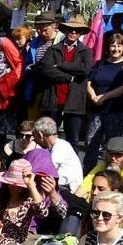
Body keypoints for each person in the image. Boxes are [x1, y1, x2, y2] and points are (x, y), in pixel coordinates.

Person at [31, 18, 93, 150]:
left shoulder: (86, 51)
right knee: (47, 138)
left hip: (74, 102)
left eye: (77, 30)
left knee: (73, 140)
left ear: (81, 33)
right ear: (65, 30)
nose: (73, 32)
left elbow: (85, 69)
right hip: (53, 100)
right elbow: (46, 69)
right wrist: (69, 77)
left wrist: (60, 64)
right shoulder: (53, 49)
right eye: (70, 29)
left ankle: (73, 169)